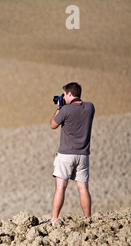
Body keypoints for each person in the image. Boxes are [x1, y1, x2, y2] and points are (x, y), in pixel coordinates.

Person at [49, 82, 95, 225]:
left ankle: (54, 219)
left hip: (66, 154)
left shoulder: (65, 110)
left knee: (61, 186)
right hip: (83, 154)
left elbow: (52, 125)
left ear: (69, 94)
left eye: (64, 94)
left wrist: (59, 107)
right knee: (83, 188)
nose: (62, 96)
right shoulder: (90, 107)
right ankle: (88, 218)